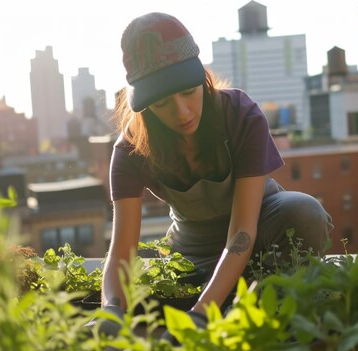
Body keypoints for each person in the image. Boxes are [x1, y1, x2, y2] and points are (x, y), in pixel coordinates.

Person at [96, 11, 334, 339]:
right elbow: (123, 249)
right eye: (162, 103)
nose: (182, 112)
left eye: (188, 91)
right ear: (146, 106)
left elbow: (242, 232)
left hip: (262, 228)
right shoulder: (131, 150)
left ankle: (271, 311)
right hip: (194, 252)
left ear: (203, 77)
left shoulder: (239, 115)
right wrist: (111, 310)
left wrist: (200, 315)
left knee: (305, 211)